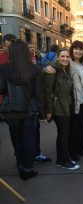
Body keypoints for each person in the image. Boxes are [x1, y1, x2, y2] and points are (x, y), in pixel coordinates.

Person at [0, 40, 45, 180]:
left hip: (10, 109)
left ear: (11, 53)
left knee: (16, 138)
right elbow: (39, 93)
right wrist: (43, 112)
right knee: (29, 139)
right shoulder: (34, 69)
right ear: (26, 52)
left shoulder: (4, 69)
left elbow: (1, 89)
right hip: (29, 110)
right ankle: (28, 168)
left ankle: (20, 163)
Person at [46, 41, 83, 161]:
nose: (78, 51)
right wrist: (46, 68)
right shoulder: (68, 62)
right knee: (73, 128)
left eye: (80, 49)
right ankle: (73, 151)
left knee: (81, 126)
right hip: (72, 101)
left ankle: (80, 148)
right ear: (72, 50)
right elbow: (55, 66)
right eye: (75, 49)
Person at [43, 48, 80, 170]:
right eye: (62, 56)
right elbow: (47, 92)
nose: (65, 59)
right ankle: (63, 160)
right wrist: (48, 111)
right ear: (58, 57)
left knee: (63, 134)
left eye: (67, 57)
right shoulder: (52, 70)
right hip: (58, 108)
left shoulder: (66, 70)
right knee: (64, 135)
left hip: (66, 106)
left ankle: (62, 158)